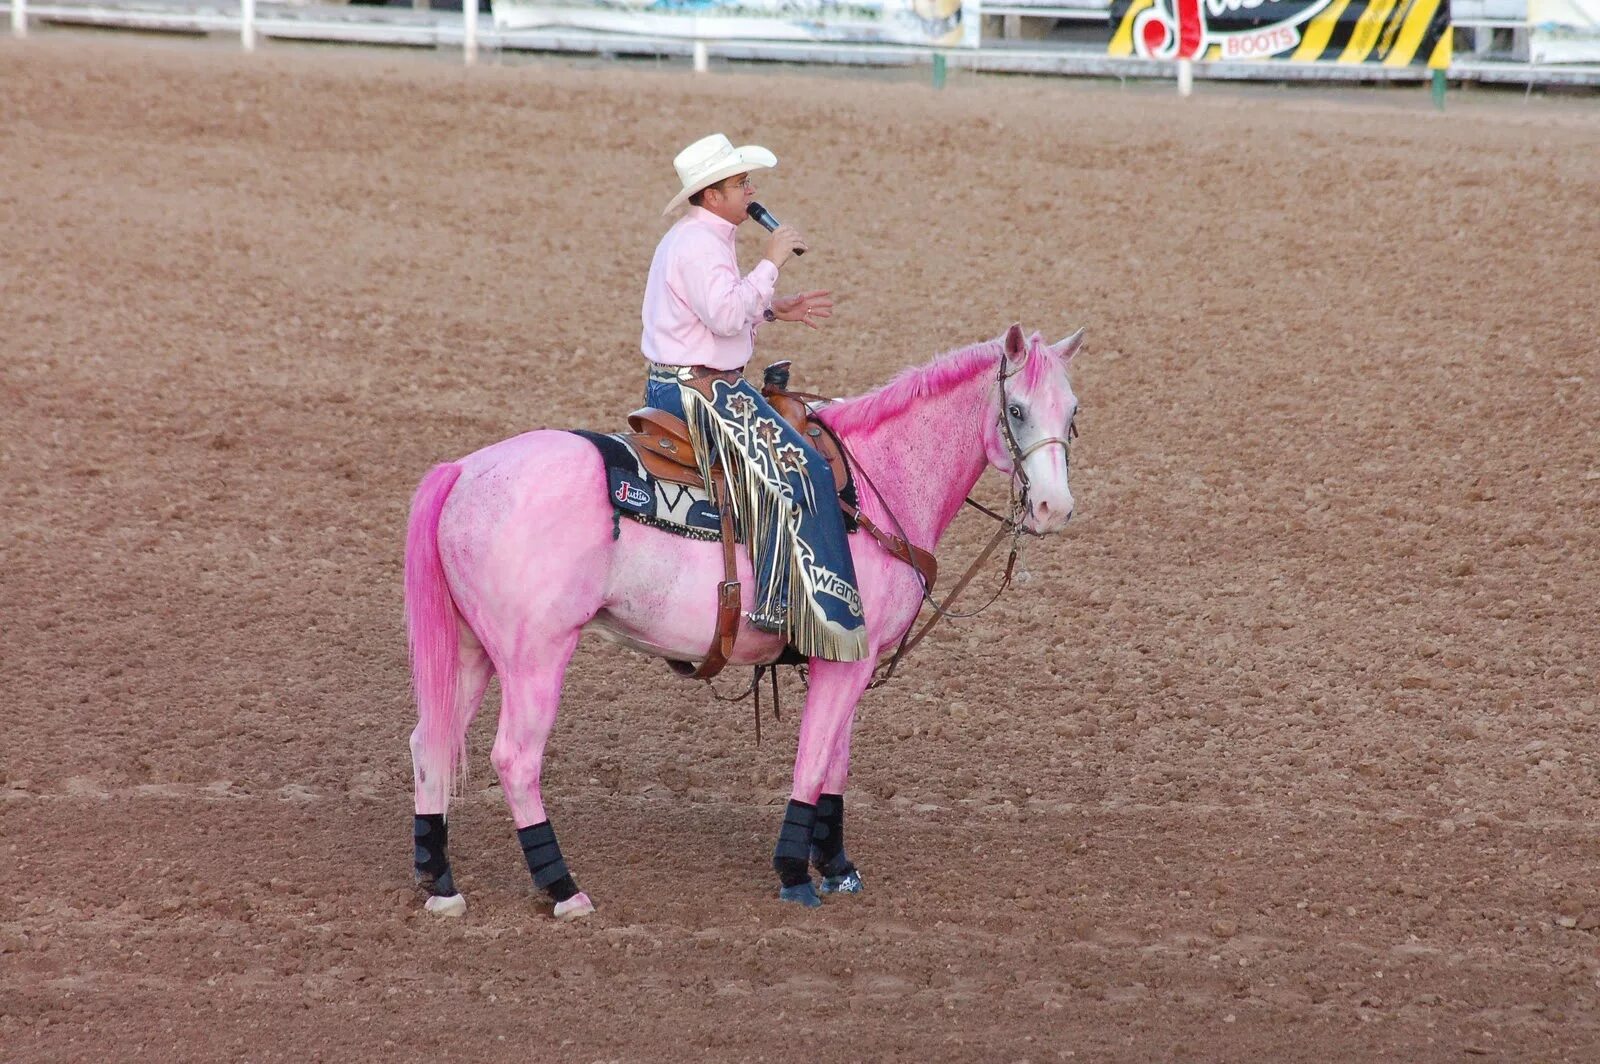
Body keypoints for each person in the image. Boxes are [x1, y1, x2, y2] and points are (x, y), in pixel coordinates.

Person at [641, 133, 866, 663]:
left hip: (693, 378)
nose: (752, 190)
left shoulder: (701, 237)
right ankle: (777, 600)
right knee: (803, 468)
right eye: (741, 183)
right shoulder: (697, 244)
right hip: (697, 390)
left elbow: (717, 311)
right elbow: (721, 315)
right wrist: (771, 263)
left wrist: (769, 309)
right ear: (711, 194)